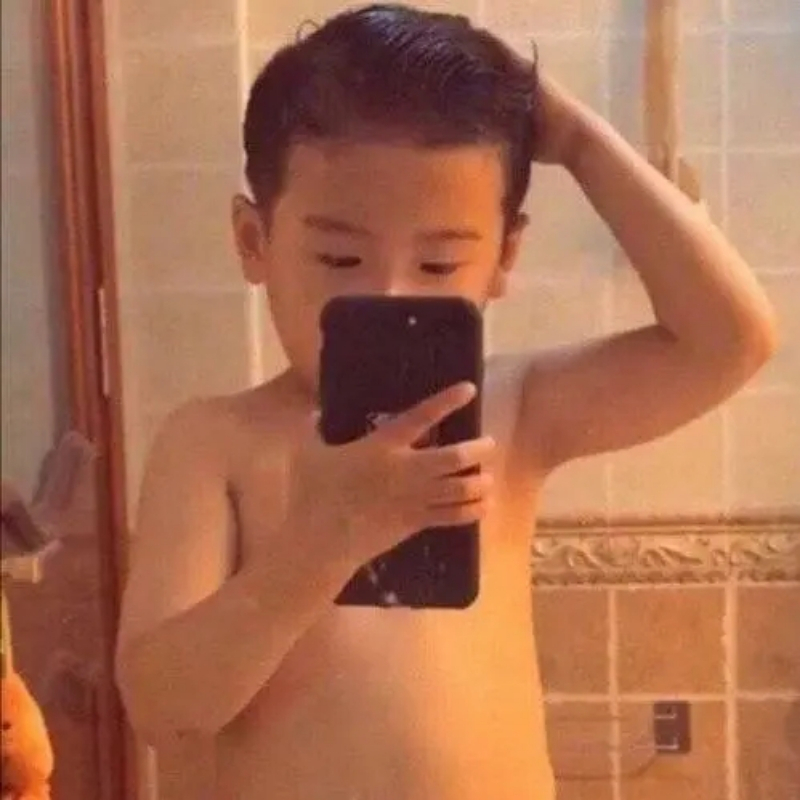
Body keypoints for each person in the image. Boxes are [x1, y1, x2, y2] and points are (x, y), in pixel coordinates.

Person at [114, 5, 777, 799]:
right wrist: (319, 545)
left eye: (437, 266)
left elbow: (730, 340)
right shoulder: (214, 442)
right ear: (255, 242)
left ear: (503, 258)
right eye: (340, 258)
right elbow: (164, 709)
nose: (389, 295)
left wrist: (574, 139)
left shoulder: (512, 413)